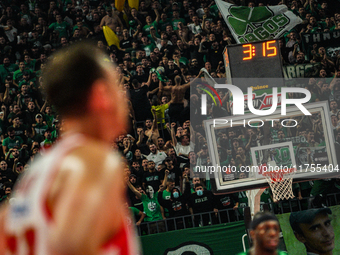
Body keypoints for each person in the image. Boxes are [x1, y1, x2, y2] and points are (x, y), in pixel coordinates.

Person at [0, 43, 140, 254]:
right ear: (101, 95)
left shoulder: (36, 173)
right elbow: (69, 248)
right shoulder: (93, 161)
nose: (124, 96)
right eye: (118, 86)